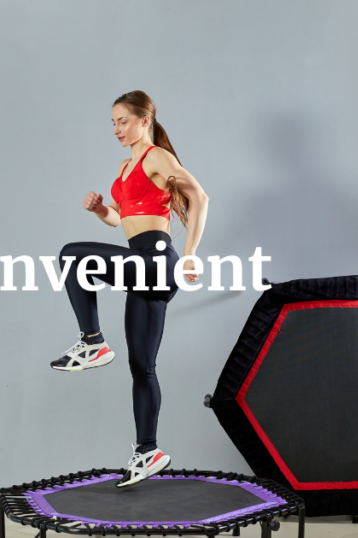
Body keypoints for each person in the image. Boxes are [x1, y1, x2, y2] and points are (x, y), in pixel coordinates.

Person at [50, 90, 210, 488]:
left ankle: (92, 341)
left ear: (145, 120)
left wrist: (190, 254)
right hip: (140, 262)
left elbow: (199, 196)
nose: (117, 129)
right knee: (142, 367)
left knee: (72, 255)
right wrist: (100, 209)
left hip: (157, 260)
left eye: (123, 120)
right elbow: (121, 218)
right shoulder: (125, 167)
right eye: (113, 123)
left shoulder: (156, 156)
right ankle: (148, 451)